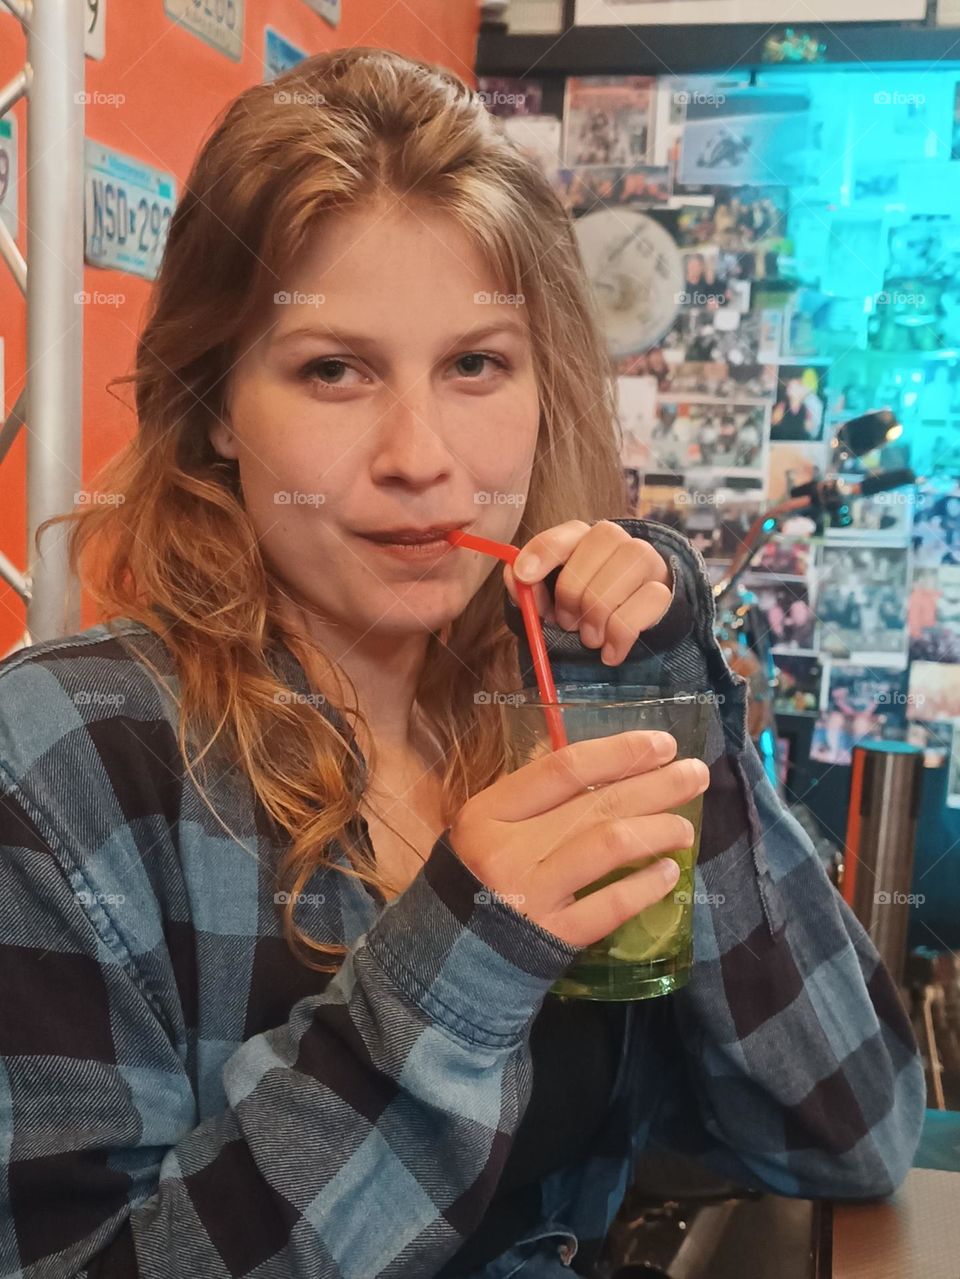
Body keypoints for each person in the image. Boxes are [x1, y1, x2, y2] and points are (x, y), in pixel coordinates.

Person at [0, 48, 924, 1279]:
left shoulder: (549, 702)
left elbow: (854, 1132)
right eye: (334, 369)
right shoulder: (65, 758)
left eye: (476, 364)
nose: (421, 456)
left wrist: (667, 704)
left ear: (543, 387)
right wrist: (462, 957)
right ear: (216, 405)